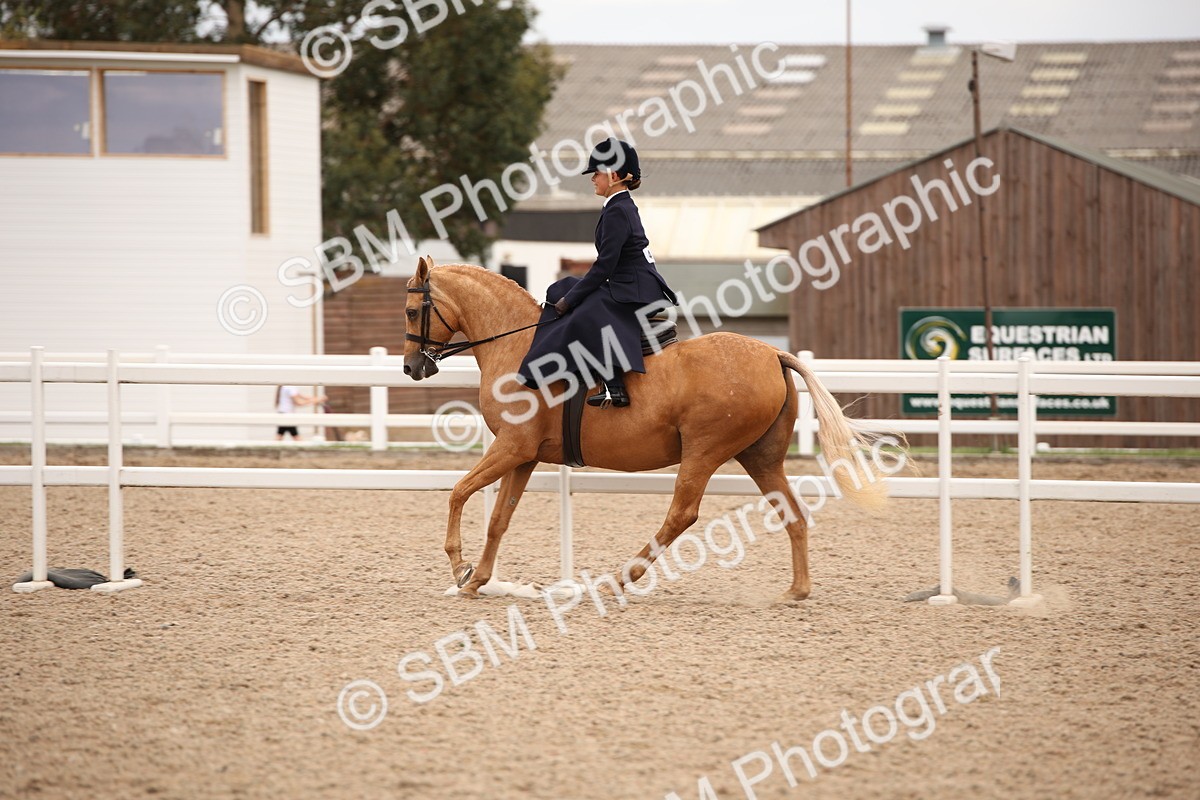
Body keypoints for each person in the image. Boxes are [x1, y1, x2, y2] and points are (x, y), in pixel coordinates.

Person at [518, 138, 677, 408]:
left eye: (597, 173)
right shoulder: (616, 206)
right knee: (560, 287)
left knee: (585, 309)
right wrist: (567, 294)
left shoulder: (619, 210)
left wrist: (571, 301)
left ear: (614, 176)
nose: (593, 178)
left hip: (634, 287)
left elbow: (604, 266)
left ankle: (613, 386)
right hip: (625, 280)